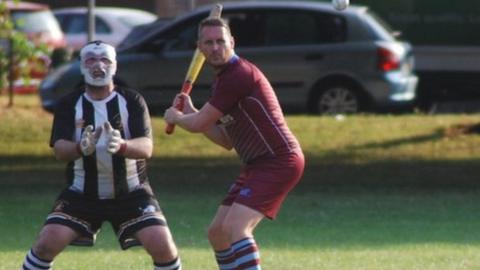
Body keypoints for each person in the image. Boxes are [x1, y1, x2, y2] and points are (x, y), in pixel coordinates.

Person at [22, 41, 181, 270]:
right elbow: (59, 150)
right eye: (91, 60)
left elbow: (147, 147)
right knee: (46, 243)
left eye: (105, 59)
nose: (98, 65)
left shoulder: (133, 100)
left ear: (115, 66)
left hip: (131, 192)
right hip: (82, 193)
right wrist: (80, 148)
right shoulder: (69, 103)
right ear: (81, 66)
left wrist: (123, 145)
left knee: (163, 245)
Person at [164, 17, 304, 270]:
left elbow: (196, 125)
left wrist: (178, 117)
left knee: (236, 228)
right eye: (209, 42)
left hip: (278, 160)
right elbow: (226, 140)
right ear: (200, 48)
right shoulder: (222, 81)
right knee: (218, 232)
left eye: (221, 41)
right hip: (256, 165)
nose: (216, 47)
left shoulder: (238, 75)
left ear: (232, 42)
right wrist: (193, 111)